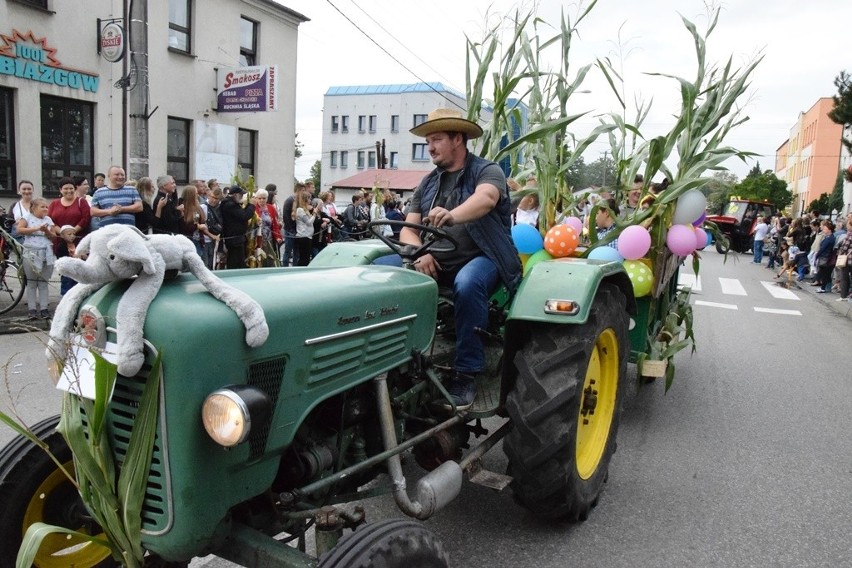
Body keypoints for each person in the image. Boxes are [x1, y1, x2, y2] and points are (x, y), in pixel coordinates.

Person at [400, 108, 521, 410]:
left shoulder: (487, 170)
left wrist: (452, 215)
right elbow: (408, 229)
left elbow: (486, 199)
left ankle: (466, 373)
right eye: (428, 140)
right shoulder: (428, 183)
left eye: (437, 139)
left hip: (484, 257)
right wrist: (420, 252)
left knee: (467, 284)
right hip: (434, 260)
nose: (430, 147)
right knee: (380, 275)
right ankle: (395, 362)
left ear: (458, 139)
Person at [16, 197, 56, 319]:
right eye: (42, 207)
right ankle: (32, 309)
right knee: (32, 282)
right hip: (31, 253)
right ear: (33, 208)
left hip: (46, 253)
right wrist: (37, 229)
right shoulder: (27, 217)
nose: (45, 209)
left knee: (43, 282)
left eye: (46, 207)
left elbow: (53, 236)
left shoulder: (48, 219)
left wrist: (46, 232)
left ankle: (44, 308)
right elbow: (20, 230)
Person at [48, 177, 91, 247]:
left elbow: (85, 219)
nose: (69, 191)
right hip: (59, 242)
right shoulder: (54, 203)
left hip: (78, 242)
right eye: (66, 188)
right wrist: (62, 233)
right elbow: (49, 220)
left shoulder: (82, 202)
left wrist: (71, 233)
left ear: (75, 189)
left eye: (71, 188)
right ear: (60, 190)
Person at [220, 185, 256, 269]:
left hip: (237, 237)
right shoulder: (230, 205)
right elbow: (244, 216)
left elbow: (241, 213)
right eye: (241, 195)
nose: (242, 197)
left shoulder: (231, 203)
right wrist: (251, 205)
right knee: (235, 261)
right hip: (234, 238)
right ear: (236, 194)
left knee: (239, 260)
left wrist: (247, 205)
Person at [253, 188, 282, 265]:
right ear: (256, 199)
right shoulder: (253, 208)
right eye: (260, 198)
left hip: (269, 238)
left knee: (270, 258)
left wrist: (278, 237)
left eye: (264, 198)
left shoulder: (271, 208)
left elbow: (275, 224)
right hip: (257, 238)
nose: (262, 200)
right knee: (259, 258)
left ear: (267, 198)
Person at [178, 185, 208, 257]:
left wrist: (199, 226)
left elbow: (197, 222)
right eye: (196, 193)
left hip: (198, 240)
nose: (198, 195)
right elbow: (184, 226)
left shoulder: (196, 208)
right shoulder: (181, 207)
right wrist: (198, 226)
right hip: (188, 241)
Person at [293, 190, 316, 266]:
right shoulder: (300, 210)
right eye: (309, 199)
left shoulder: (306, 210)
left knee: (306, 257)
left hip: (308, 236)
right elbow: (309, 222)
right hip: (303, 236)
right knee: (303, 258)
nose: (310, 201)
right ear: (305, 200)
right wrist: (314, 214)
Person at [204, 187, 224, 269]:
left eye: (217, 199)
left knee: (213, 262)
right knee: (206, 263)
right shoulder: (203, 206)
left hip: (215, 239)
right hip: (205, 239)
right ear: (209, 195)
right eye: (213, 197)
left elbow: (220, 223)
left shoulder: (219, 208)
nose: (215, 200)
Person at [55, 225, 78, 295]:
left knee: (76, 288)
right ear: (62, 236)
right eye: (69, 234)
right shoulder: (61, 246)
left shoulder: (77, 244)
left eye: (74, 234)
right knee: (66, 287)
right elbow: (61, 258)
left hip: (77, 271)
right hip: (67, 271)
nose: (72, 236)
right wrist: (72, 257)